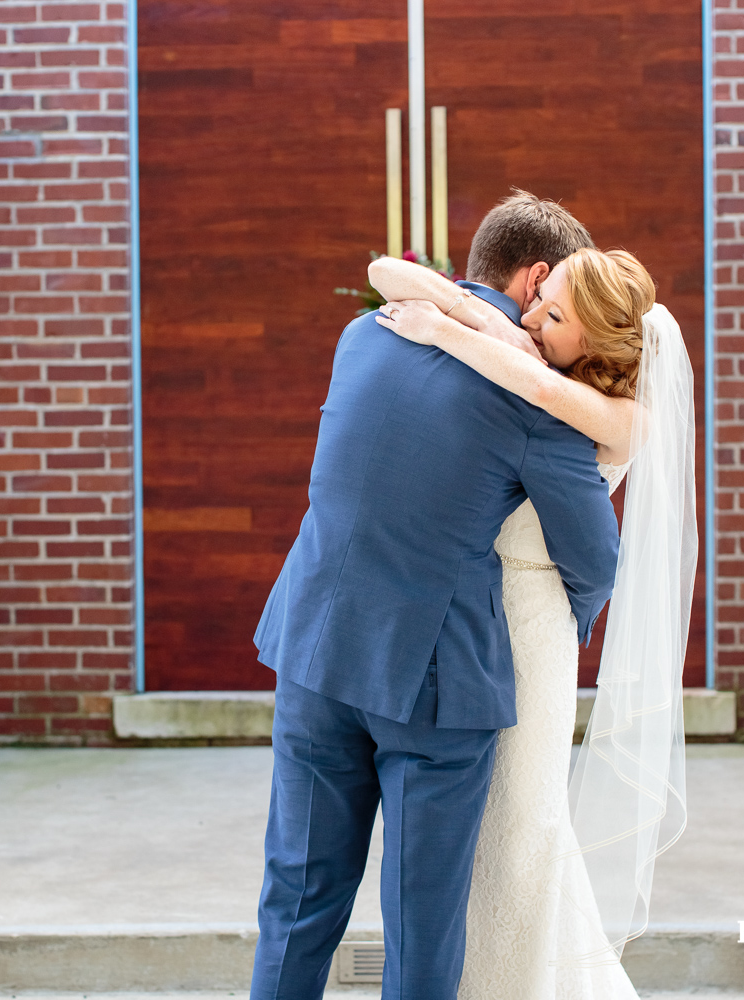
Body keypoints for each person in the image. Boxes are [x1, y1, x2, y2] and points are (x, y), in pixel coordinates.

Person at [250, 193, 620, 1000]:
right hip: (432, 682)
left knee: (296, 901)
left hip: (315, 650)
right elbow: (593, 557)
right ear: (538, 279)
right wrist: (561, 626)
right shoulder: (534, 401)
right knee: (423, 932)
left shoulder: (363, 335)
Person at [371, 195, 698, 999]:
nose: (535, 324)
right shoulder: (542, 359)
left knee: (521, 827)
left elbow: (534, 389)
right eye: (540, 307)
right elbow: (385, 274)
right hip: (485, 619)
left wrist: (448, 329)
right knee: (483, 835)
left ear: (597, 334)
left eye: (553, 316)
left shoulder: (615, 416)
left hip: (535, 628)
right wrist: (450, 301)